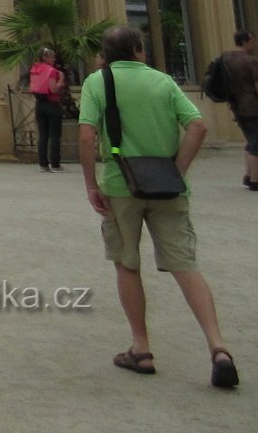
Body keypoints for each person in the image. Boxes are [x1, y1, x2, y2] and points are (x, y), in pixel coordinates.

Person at [77, 26, 237, 388]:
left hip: (121, 184)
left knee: (127, 263)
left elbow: (87, 135)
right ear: (138, 50)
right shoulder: (164, 82)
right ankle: (218, 346)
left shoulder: (97, 83)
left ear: (106, 53)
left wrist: (90, 184)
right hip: (166, 185)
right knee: (185, 265)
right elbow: (197, 127)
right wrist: (177, 169)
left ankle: (142, 348)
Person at [214, 29, 258, 190]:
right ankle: (255, 179)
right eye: (252, 40)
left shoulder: (225, 59)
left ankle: (249, 175)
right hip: (253, 107)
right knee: (256, 142)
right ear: (245, 41)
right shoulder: (251, 61)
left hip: (235, 105)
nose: (254, 43)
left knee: (251, 139)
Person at [28, 46, 69, 172]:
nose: (54, 59)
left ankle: (43, 164)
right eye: (52, 56)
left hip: (39, 104)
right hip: (52, 104)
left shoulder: (35, 69)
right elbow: (53, 89)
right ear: (45, 57)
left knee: (43, 135)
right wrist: (61, 80)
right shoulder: (51, 71)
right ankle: (55, 164)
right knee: (55, 135)